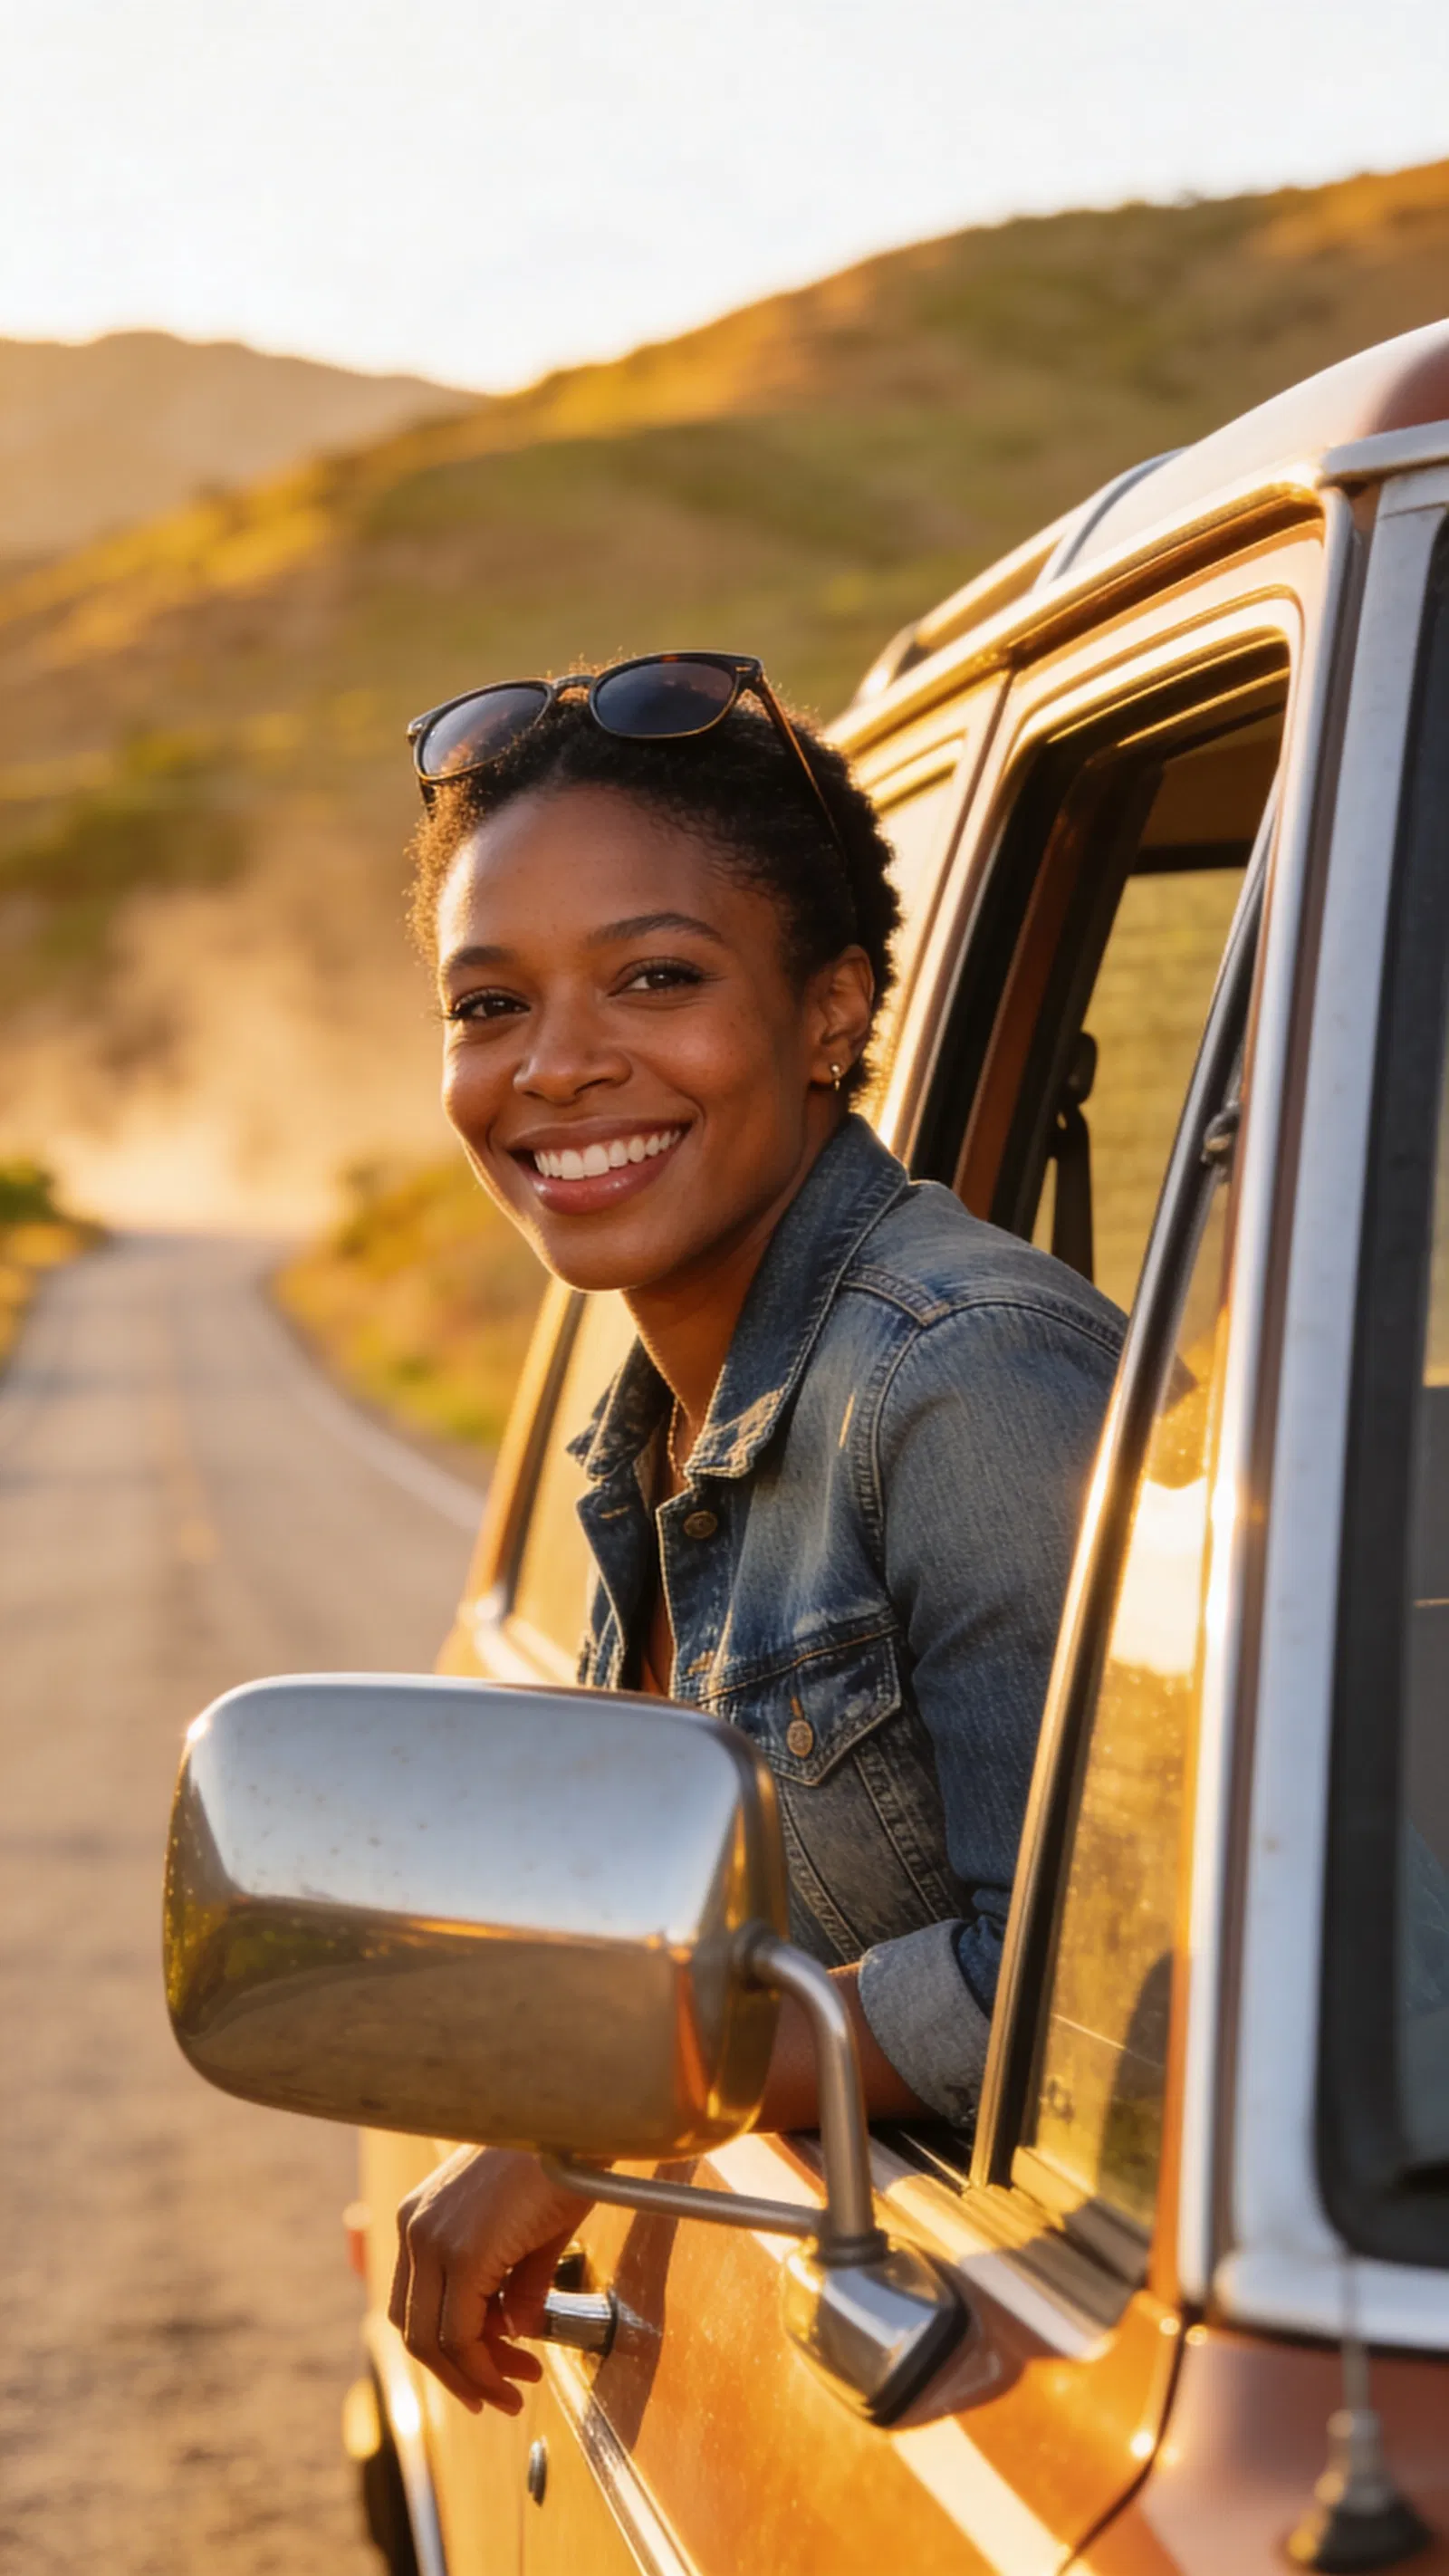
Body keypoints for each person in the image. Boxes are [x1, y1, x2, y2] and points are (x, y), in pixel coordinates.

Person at [388, 652, 1125, 2417]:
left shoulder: (958, 1379)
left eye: (653, 977)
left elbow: (1087, 2001)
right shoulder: (647, 1419)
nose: (555, 1068)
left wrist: (599, 2117)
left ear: (826, 1015)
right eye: (488, 1006)